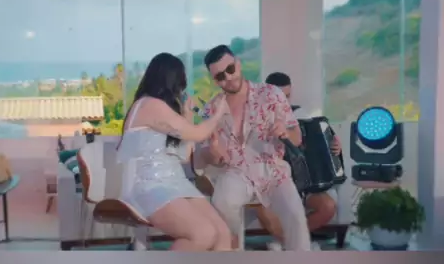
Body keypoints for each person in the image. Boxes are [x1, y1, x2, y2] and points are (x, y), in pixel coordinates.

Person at [194, 45, 311, 251]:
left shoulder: (271, 94)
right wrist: (212, 154)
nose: (228, 78)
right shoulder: (212, 108)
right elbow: (205, 155)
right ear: (215, 80)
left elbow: (297, 137)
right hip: (236, 172)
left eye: (230, 69)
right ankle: (233, 256)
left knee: (296, 217)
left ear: (238, 64)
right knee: (222, 201)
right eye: (220, 76)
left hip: (273, 170)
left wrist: (285, 132)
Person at [117, 52, 232, 251]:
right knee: (203, 234)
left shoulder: (164, 111)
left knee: (222, 233)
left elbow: (184, 156)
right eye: (180, 84)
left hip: (176, 183)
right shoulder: (150, 105)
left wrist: (187, 114)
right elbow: (198, 134)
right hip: (150, 186)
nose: (181, 90)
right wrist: (218, 114)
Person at [256, 71, 342, 243]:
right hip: (274, 184)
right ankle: (292, 243)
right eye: (279, 97)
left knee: (328, 207)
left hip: (306, 187)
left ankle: (292, 241)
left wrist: (335, 147)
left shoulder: (301, 115)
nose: (284, 103)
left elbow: (320, 144)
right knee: (262, 210)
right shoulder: (256, 118)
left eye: (287, 97)